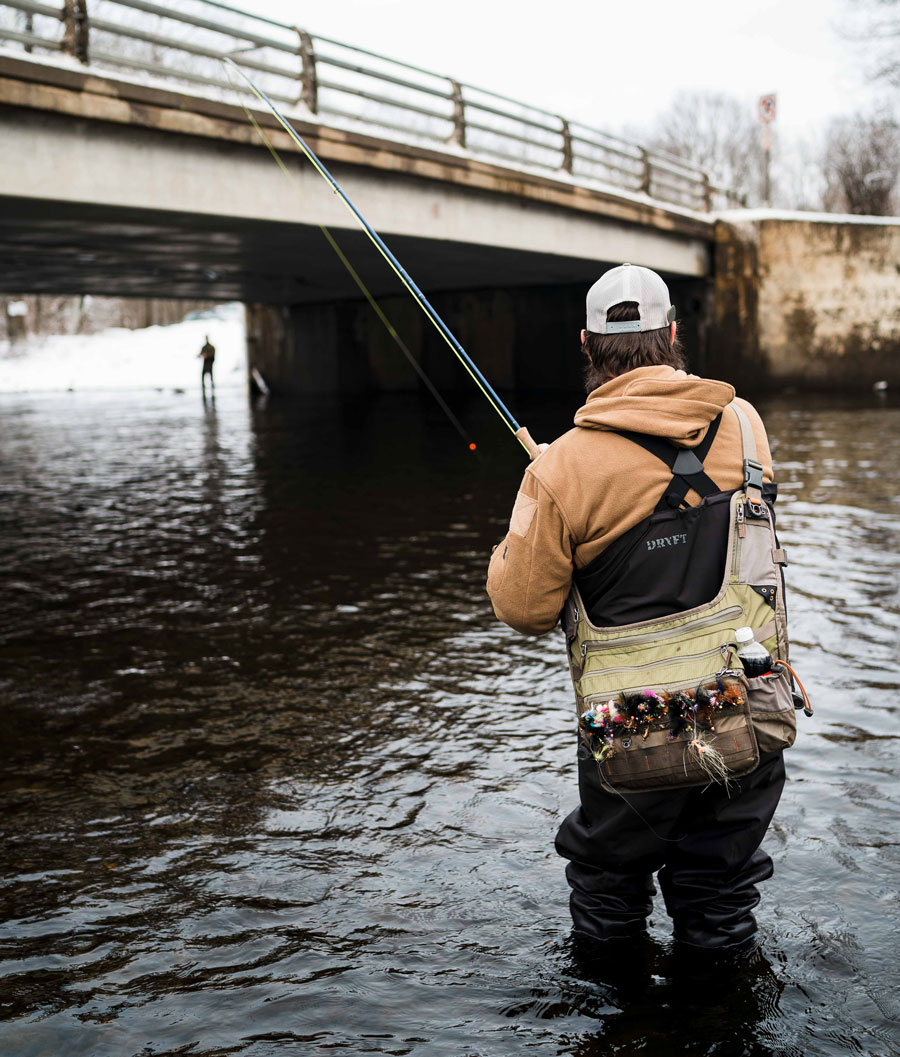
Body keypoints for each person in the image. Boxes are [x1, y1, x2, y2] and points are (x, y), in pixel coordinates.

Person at [486, 263, 787, 955]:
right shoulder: (745, 421)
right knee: (720, 899)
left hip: (631, 731)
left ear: (587, 346)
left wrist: (539, 500)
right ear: (674, 334)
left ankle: (620, 1028)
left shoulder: (559, 468)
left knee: (609, 894)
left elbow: (524, 607)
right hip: (746, 706)